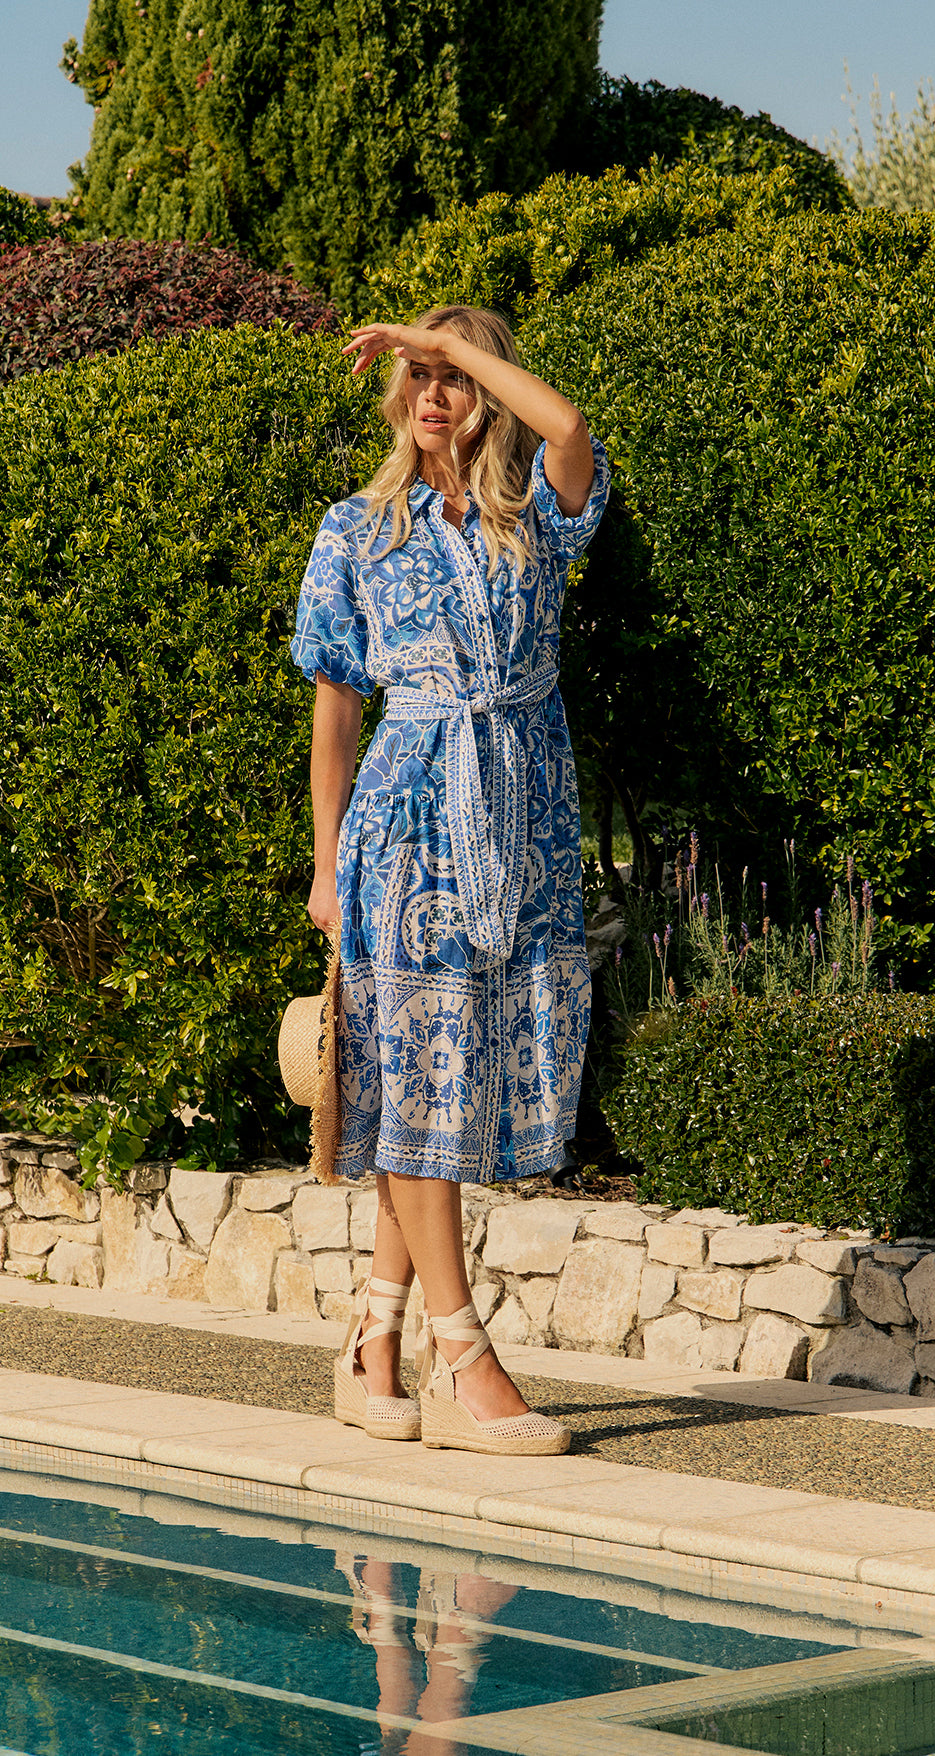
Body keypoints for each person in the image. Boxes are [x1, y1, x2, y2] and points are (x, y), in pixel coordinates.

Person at [291, 304, 609, 1456]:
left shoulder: (541, 519)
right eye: (417, 376)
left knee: (454, 1082)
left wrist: (461, 345)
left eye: (453, 378)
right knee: (424, 1081)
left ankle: (370, 1342)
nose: (431, 393)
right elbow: (336, 710)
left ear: (485, 389)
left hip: (526, 824)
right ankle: (463, 1357)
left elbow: (567, 427)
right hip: (404, 825)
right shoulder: (356, 529)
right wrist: (325, 864)